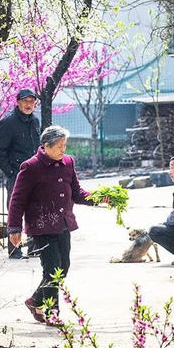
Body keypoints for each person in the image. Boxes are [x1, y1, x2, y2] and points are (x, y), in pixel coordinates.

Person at [7, 126, 107, 324]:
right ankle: (53, 314)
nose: (63, 150)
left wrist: (99, 198)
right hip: (42, 225)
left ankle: (35, 300)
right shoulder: (31, 166)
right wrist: (14, 228)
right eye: (59, 146)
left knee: (64, 266)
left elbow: (77, 192)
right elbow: (17, 200)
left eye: (64, 145)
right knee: (52, 269)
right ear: (46, 146)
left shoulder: (68, 162)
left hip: (63, 224)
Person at [0, 88, 40, 258]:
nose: (28, 104)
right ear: (18, 102)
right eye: (25, 101)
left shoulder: (35, 122)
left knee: (35, 210)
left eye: (31, 101)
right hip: (17, 175)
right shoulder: (9, 122)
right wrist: (11, 172)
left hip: (35, 174)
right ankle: (14, 250)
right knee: (15, 210)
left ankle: (34, 247)